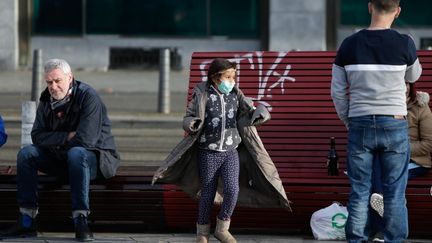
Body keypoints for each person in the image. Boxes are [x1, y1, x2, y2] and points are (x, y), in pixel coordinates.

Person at [152, 58, 290, 243]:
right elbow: (189, 116)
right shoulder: (202, 94)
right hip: (208, 151)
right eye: (228, 77)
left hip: (230, 150)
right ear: (216, 78)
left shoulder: (235, 94)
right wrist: (191, 124)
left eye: (233, 76)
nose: (231, 81)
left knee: (232, 190)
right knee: (208, 192)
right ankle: (202, 232)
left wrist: (261, 114)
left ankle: (222, 228)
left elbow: (252, 109)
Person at [331, 0, 422, 242]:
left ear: (370, 7)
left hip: (360, 122)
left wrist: (350, 121)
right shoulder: (405, 43)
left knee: (360, 191)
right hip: (394, 122)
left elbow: (337, 92)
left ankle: (357, 239)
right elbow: (414, 75)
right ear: (398, 11)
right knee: (394, 192)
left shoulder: (349, 44)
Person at [0, 59, 121, 242]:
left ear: (70, 77)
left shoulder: (88, 97)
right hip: (64, 158)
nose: (53, 87)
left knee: (77, 153)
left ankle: (81, 219)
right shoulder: (46, 99)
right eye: (49, 82)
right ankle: (27, 220)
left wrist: (56, 142)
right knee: (27, 154)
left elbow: (86, 140)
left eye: (58, 81)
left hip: (98, 159)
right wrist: (66, 137)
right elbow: (37, 136)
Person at [369, 82, 432, 241]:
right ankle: (383, 226)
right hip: (386, 160)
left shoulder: (421, 108)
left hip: (415, 161)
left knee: (385, 178)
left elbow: (428, 143)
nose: (402, 87)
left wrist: (399, 150)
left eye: (405, 84)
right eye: (397, 82)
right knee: (378, 168)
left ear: (411, 86)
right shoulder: (385, 108)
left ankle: (381, 230)